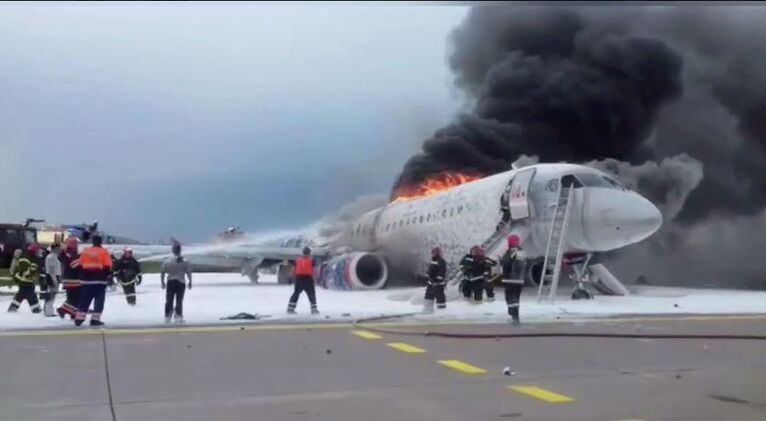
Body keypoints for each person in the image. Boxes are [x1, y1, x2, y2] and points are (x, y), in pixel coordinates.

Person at [74, 235, 112, 326]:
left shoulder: (85, 251)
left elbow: (79, 265)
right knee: (99, 301)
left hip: (86, 280)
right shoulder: (104, 252)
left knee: (84, 300)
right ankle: (95, 320)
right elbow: (108, 266)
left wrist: (82, 275)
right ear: (100, 242)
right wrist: (107, 276)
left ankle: (79, 319)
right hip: (99, 281)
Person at [160, 243, 192, 323]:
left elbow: (163, 271)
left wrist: (162, 282)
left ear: (173, 250)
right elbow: (188, 272)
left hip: (171, 281)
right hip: (181, 282)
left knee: (169, 300)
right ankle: (178, 315)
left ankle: (168, 316)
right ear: (180, 250)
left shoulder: (168, 260)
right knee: (179, 300)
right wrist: (190, 281)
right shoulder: (185, 260)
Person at [500, 235, 527, 325]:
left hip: (511, 279)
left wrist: (502, 261)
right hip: (519, 280)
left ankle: (514, 316)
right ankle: (515, 316)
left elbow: (507, 263)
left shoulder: (513, 252)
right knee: (516, 299)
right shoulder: (520, 252)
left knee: (510, 298)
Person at [7, 244, 42, 313]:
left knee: (21, 294)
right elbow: (23, 272)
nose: (39, 253)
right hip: (24, 280)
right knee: (30, 294)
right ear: (34, 251)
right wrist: (31, 270)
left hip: (26, 280)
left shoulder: (32, 257)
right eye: (38, 251)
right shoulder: (25, 259)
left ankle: (13, 307)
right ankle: (35, 309)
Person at [287, 247, 319, 315]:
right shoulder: (312, 260)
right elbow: (314, 270)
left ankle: (290, 308)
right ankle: (314, 309)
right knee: (311, 294)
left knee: (296, 293)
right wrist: (316, 279)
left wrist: (291, 278)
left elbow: (294, 270)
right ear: (309, 253)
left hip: (299, 279)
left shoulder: (297, 260)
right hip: (308, 279)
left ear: (303, 253)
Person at [57, 237, 81, 319]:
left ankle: (73, 313)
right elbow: (73, 264)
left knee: (75, 298)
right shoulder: (68, 253)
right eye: (77, 244)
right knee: (73, 298)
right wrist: (82, 259)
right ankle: (63, 309)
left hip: (72, 278)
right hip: (71, 279)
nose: (78, 245)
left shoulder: (69, 252)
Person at [423, 247, 447, 313]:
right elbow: (431, 271)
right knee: (428, 297)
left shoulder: (441, 261)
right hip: (431, 283)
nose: (434, 254)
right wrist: (428, 276)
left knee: (440, 298)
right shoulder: (433, 261)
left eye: (436, 252)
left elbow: (441, 272)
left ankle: (442, 311)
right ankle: (427, 310)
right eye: (433, 252)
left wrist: (436, 281)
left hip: (438, 284)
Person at [43, 243, 62, 317]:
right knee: (51, 294)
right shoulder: (51, 257)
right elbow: (51, 269)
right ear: (54, 249)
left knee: (52, 294)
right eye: (58, 248)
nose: (60, 250)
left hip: (55, 276)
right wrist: (54, 280)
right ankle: (48, 311)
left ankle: (48, 310)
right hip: (52, 276)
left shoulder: (55, 257)